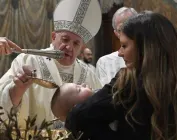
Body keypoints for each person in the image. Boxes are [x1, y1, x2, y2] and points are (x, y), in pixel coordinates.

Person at [52, 12, 177, 140]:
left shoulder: (128, 83)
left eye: (124, 46)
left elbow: (76, 118)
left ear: (145, 48)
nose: (119, 53)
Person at [0, 0, 102, 128]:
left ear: (82, 47)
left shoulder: (89, 75)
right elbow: (2, 106)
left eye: (76, 43)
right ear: (53, 37)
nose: (69, 47)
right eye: (65, 39)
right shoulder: (27, 60)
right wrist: (18, 90)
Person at [95, 7, 137, 86]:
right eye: (121, 29)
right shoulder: (104, 62)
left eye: (131, 27)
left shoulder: (151, 58)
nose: (127, 33)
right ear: (116, 34)